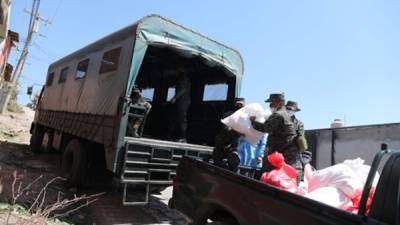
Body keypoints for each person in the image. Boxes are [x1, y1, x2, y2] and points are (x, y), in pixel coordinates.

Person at [250, 93, 302, 181]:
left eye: (271, 102)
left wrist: (253, 122)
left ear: (278, 103)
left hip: (280, 153)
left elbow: (266, 128)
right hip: (287, 153)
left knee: (266, 175)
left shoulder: (278, 115)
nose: (270, 105)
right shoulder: (286, 115)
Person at [212, 97, 246, 172]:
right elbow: (226, 128)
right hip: (224, 143)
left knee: (234, 165)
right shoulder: (229, 114)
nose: (239, 106)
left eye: (241, 105)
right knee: (218, 164)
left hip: (237, 146)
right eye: (238, 104)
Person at [169, 65, 191, 143]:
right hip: (183, 101)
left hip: (183, 101)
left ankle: (183, 137)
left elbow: (182, 89)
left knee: (182, 119)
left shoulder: (183, 78)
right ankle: (178, 136)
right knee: (179, 119)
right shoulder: (183, 78)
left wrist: (175, 97)